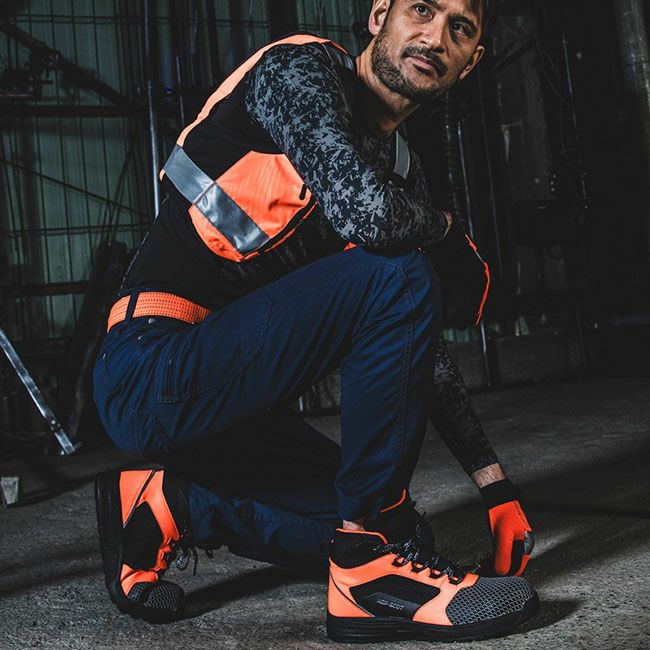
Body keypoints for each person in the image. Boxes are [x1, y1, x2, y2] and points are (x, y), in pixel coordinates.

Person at [93, 0, 537, 641]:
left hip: (235, 408)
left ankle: (171, 503)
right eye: (421, 8)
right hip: (151, 369)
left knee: (403, 532)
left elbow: (418, 348)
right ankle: (366, 573)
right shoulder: (298, 72)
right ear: (379, 15)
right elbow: (372, 222)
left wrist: (494, 486)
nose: (435, 36)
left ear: (470, 63)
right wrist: (443, 229)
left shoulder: (397, 173)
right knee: (398, 271)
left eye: (459, 28)